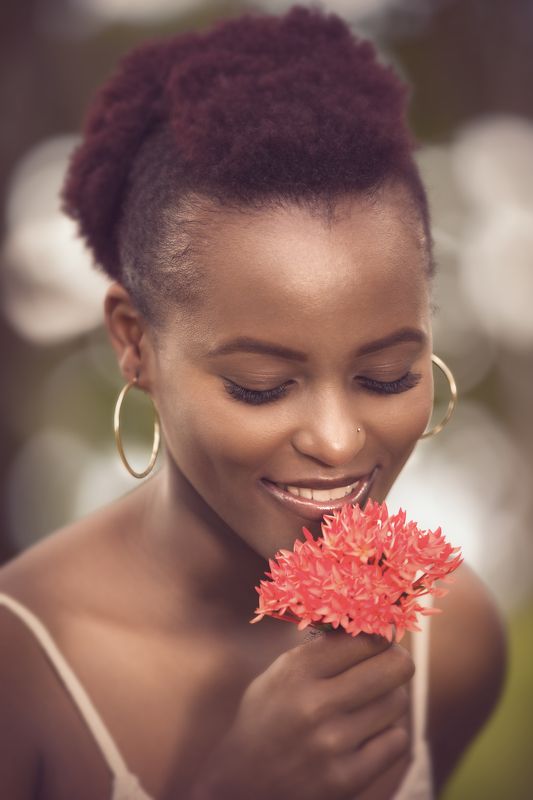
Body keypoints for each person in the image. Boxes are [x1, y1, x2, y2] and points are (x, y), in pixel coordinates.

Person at [0, 6, 507, 799]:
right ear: (135, 344)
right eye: (260, 388)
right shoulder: (20, 670)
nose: (339, 443)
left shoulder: (455, 641)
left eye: (385, 376)